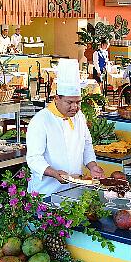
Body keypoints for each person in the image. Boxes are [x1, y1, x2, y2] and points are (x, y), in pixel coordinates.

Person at [26, 59, 104, 196]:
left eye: (78, 102)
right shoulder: (41, 120)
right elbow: (34, 158)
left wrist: (93, 166)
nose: (75, 107)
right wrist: (54, 173)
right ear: (57, 98)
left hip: (75, 189)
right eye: (70, 102)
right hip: (46, 192)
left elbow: (86, 145)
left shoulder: (79, 117)